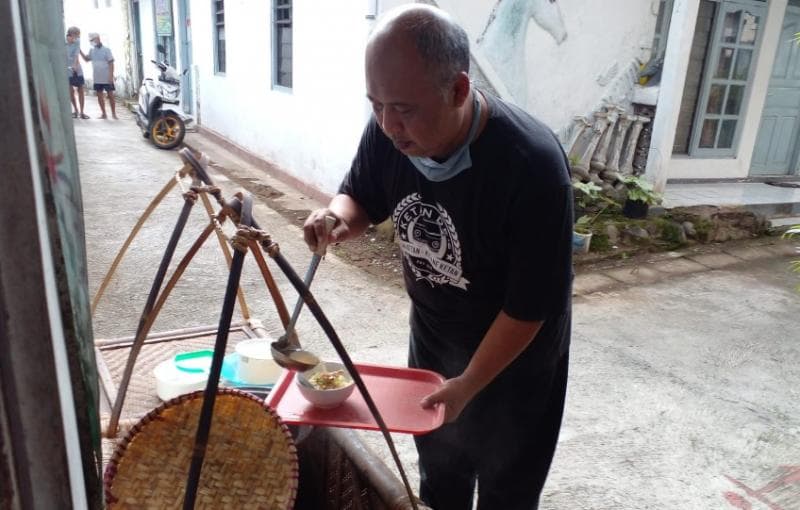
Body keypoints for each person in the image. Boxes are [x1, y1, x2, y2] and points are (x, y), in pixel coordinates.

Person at [303, 5, 573, 509]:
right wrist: (337, 218)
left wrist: (468, 384)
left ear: (459, 90)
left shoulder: (532, 165)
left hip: (516, 365)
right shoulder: (390, 129)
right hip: (434, 348)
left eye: (404, 109)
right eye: (376, 105)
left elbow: (529, 308)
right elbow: (360, 194)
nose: (388, 125)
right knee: (440, 481)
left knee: (507, 492)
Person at [83, 32, 117, 119]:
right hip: (97, 77)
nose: (91, 42)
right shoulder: (92, 51)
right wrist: (79, 51)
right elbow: (86, 59)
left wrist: (111, 76)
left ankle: (114, 114)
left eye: (92, 40)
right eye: (90, 40)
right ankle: (104, 113)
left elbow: (111, 63)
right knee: (99, 96)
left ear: (98, 38)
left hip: (106, 77)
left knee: (110, 95)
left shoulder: (106, 50)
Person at [66, 26, 89, 119]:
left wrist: (75, 66)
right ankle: (76, 110)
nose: (78, 37)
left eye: (78, 36)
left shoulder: (77, 41)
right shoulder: (62, 43)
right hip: (66, 69)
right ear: (71, 34)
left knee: (80, 89)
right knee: (70, 91)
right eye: (77, 35)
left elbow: (76, 55)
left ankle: (82, 112)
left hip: (77, 68)